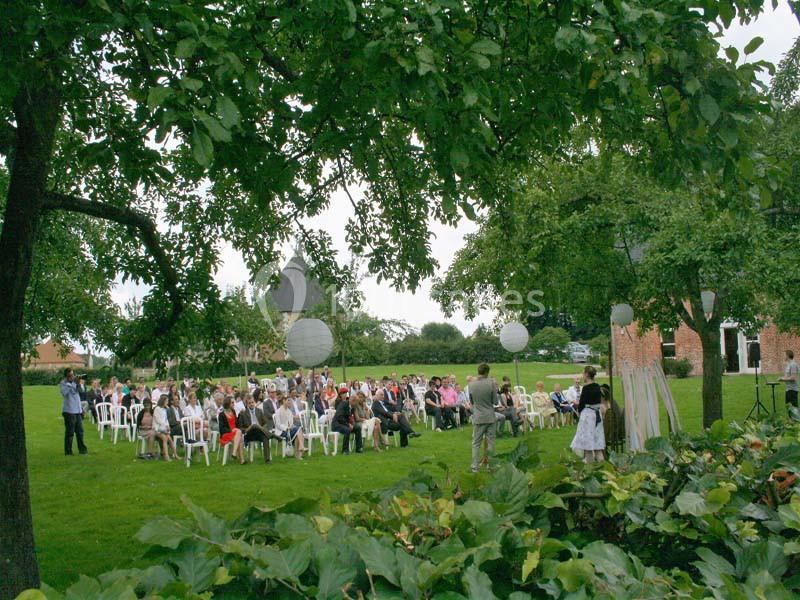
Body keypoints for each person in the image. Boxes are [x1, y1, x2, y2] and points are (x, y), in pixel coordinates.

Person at [570, 365, 605, 463]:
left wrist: (578, 412)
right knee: (597, 442)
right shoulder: (598, 386)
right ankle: (601, 463)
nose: (582, 376)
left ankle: (590, 463)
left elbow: (581, 404)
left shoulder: (586, 388)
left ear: (586, 374)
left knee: (588, 443)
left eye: (583, 374)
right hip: (597, 416)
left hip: (588, 416)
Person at [237, 395, 281, 463]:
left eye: (252, 402)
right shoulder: (243, 413)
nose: (251, 404)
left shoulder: (259, 411)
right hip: (249, 434)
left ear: (254, 402)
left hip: (259, 432)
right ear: (247, 404)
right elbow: (240, 427)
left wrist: (261, 428)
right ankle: (273, 435)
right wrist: (247, 429)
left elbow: (265, 423)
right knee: (254, 425)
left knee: (265, 437)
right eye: (249, 403)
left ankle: (267, 460)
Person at [469, 363, 496, 473]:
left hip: (478, 416)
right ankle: (490, 466)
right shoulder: (492, 384)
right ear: (487, 372)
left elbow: (471, 401)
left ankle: (475, 467)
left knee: (476, 443)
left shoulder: (471, 385)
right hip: (490, 416)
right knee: (490, 442)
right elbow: (495, 401)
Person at [59, 368, 88, 456]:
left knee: (80, 431)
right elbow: (64, 393)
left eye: (73, 375)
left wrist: (78, 383)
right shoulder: (63, 383)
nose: (72, 377)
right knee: (70, 432)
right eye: (70, 375)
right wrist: (72, 384)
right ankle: (68, 451)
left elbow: (81, 392)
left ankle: (82, 450)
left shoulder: (76, 382)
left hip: (77, 410)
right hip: (69, 410)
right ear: (67, 376)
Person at [275, 395, 306, 460]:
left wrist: (290, 427)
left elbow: (291, 423)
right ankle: (301, 448)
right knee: (298, 430)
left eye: (290, 401)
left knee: (298, 431)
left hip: (289, 431)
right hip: (281, 432)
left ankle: (299, 454)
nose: (290, 402)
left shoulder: (289, 411)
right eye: (288, 400)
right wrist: (286, 428)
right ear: (283, 401)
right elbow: (278, 424)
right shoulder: (278, 411)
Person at [218, 396, 246, 464]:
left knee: (240, 437)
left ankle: (239, 458)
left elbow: (237, 425)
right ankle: (237, 456)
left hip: (235, 434)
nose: (234, 404)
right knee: (239, 435)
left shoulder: (233, 411)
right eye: (232, 403)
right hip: (226, 434)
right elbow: (221, 429)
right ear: (228, 404)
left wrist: (239, 415)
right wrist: (231, 430)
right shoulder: (221, 415)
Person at [153, 396, 178, 460]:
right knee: (165, 438)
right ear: (163, 401)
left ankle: (175, 455)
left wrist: (167, 426)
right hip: (157, 429)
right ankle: (166, 456)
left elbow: (166, 420)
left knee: (169, 439)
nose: (167, 403)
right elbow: (159, 420)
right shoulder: (157, 409)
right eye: (166, 401)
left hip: (163, 428)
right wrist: (165, 427)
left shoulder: (165, 409)